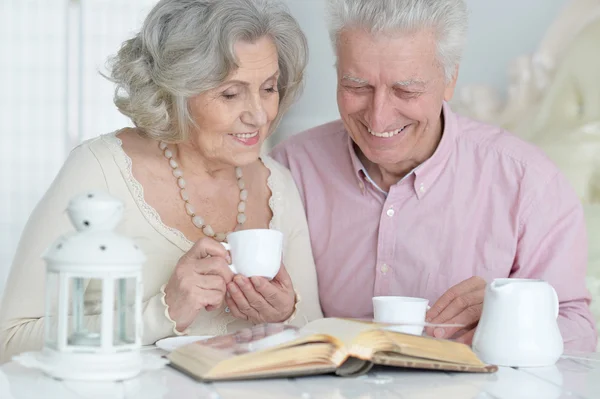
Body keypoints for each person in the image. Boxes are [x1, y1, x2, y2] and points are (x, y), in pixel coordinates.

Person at [0, 0, 323, 363]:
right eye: (230, 94)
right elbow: (11, 340)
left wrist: (285, 317)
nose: (259, 114)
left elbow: (320, 342)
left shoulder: (277, 184)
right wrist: (162, 311)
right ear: (175, 93)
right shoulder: (100, 169)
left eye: (269, 88)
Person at [271, 0, 597, 350]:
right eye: (357, 86)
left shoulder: (529, 184)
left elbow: (579, 328)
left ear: (450, 78)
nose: (378, 118)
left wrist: (509, 315)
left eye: (406, 91)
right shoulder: (290, 168)